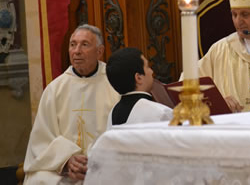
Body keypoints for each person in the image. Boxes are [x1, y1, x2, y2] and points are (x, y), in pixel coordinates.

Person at [23, 24, 120, 184]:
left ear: (100, 52)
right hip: (64, 168)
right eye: (73, 44)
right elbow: (41, 141)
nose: (77, 51)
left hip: (105, 163)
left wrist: (95, 161)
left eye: (85, 44)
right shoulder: (55, 89)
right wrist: (67, 159)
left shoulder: (114, 84)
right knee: (39, 180)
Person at [106, 47, 172, 128]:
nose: (152, 71)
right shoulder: (161, 113)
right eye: (148, 67)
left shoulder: (112, 114)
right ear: (139, 78)